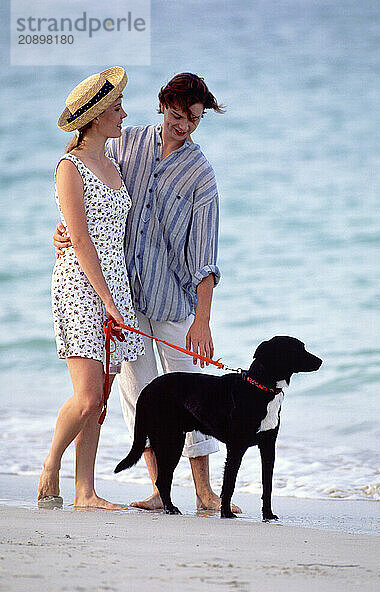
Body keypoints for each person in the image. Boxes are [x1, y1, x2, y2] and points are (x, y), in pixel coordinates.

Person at [54, 72, 241, 513]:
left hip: (174, 300)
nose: (184, 126)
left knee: (195, 400)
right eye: (178, 115)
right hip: (124, 302)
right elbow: (87, 191)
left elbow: (206, 255)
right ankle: (161, 490)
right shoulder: (126, 143)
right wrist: (60, 230)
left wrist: (203, 318)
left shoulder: (201, 174)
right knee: (140, 400)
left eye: (194, 119)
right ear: (163, 106)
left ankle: (205, 492)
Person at [38, 67, 144, 509]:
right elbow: (79, 238)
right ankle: (49, 466)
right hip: (82, 289)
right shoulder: (70, 167)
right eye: (116, 107)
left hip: (114, 286)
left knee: (101, 395)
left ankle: (85, 491)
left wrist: (117, 299)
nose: (123, 113)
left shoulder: (114, 162)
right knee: (86, 397)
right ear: (97, 117)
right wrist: (106, 301)